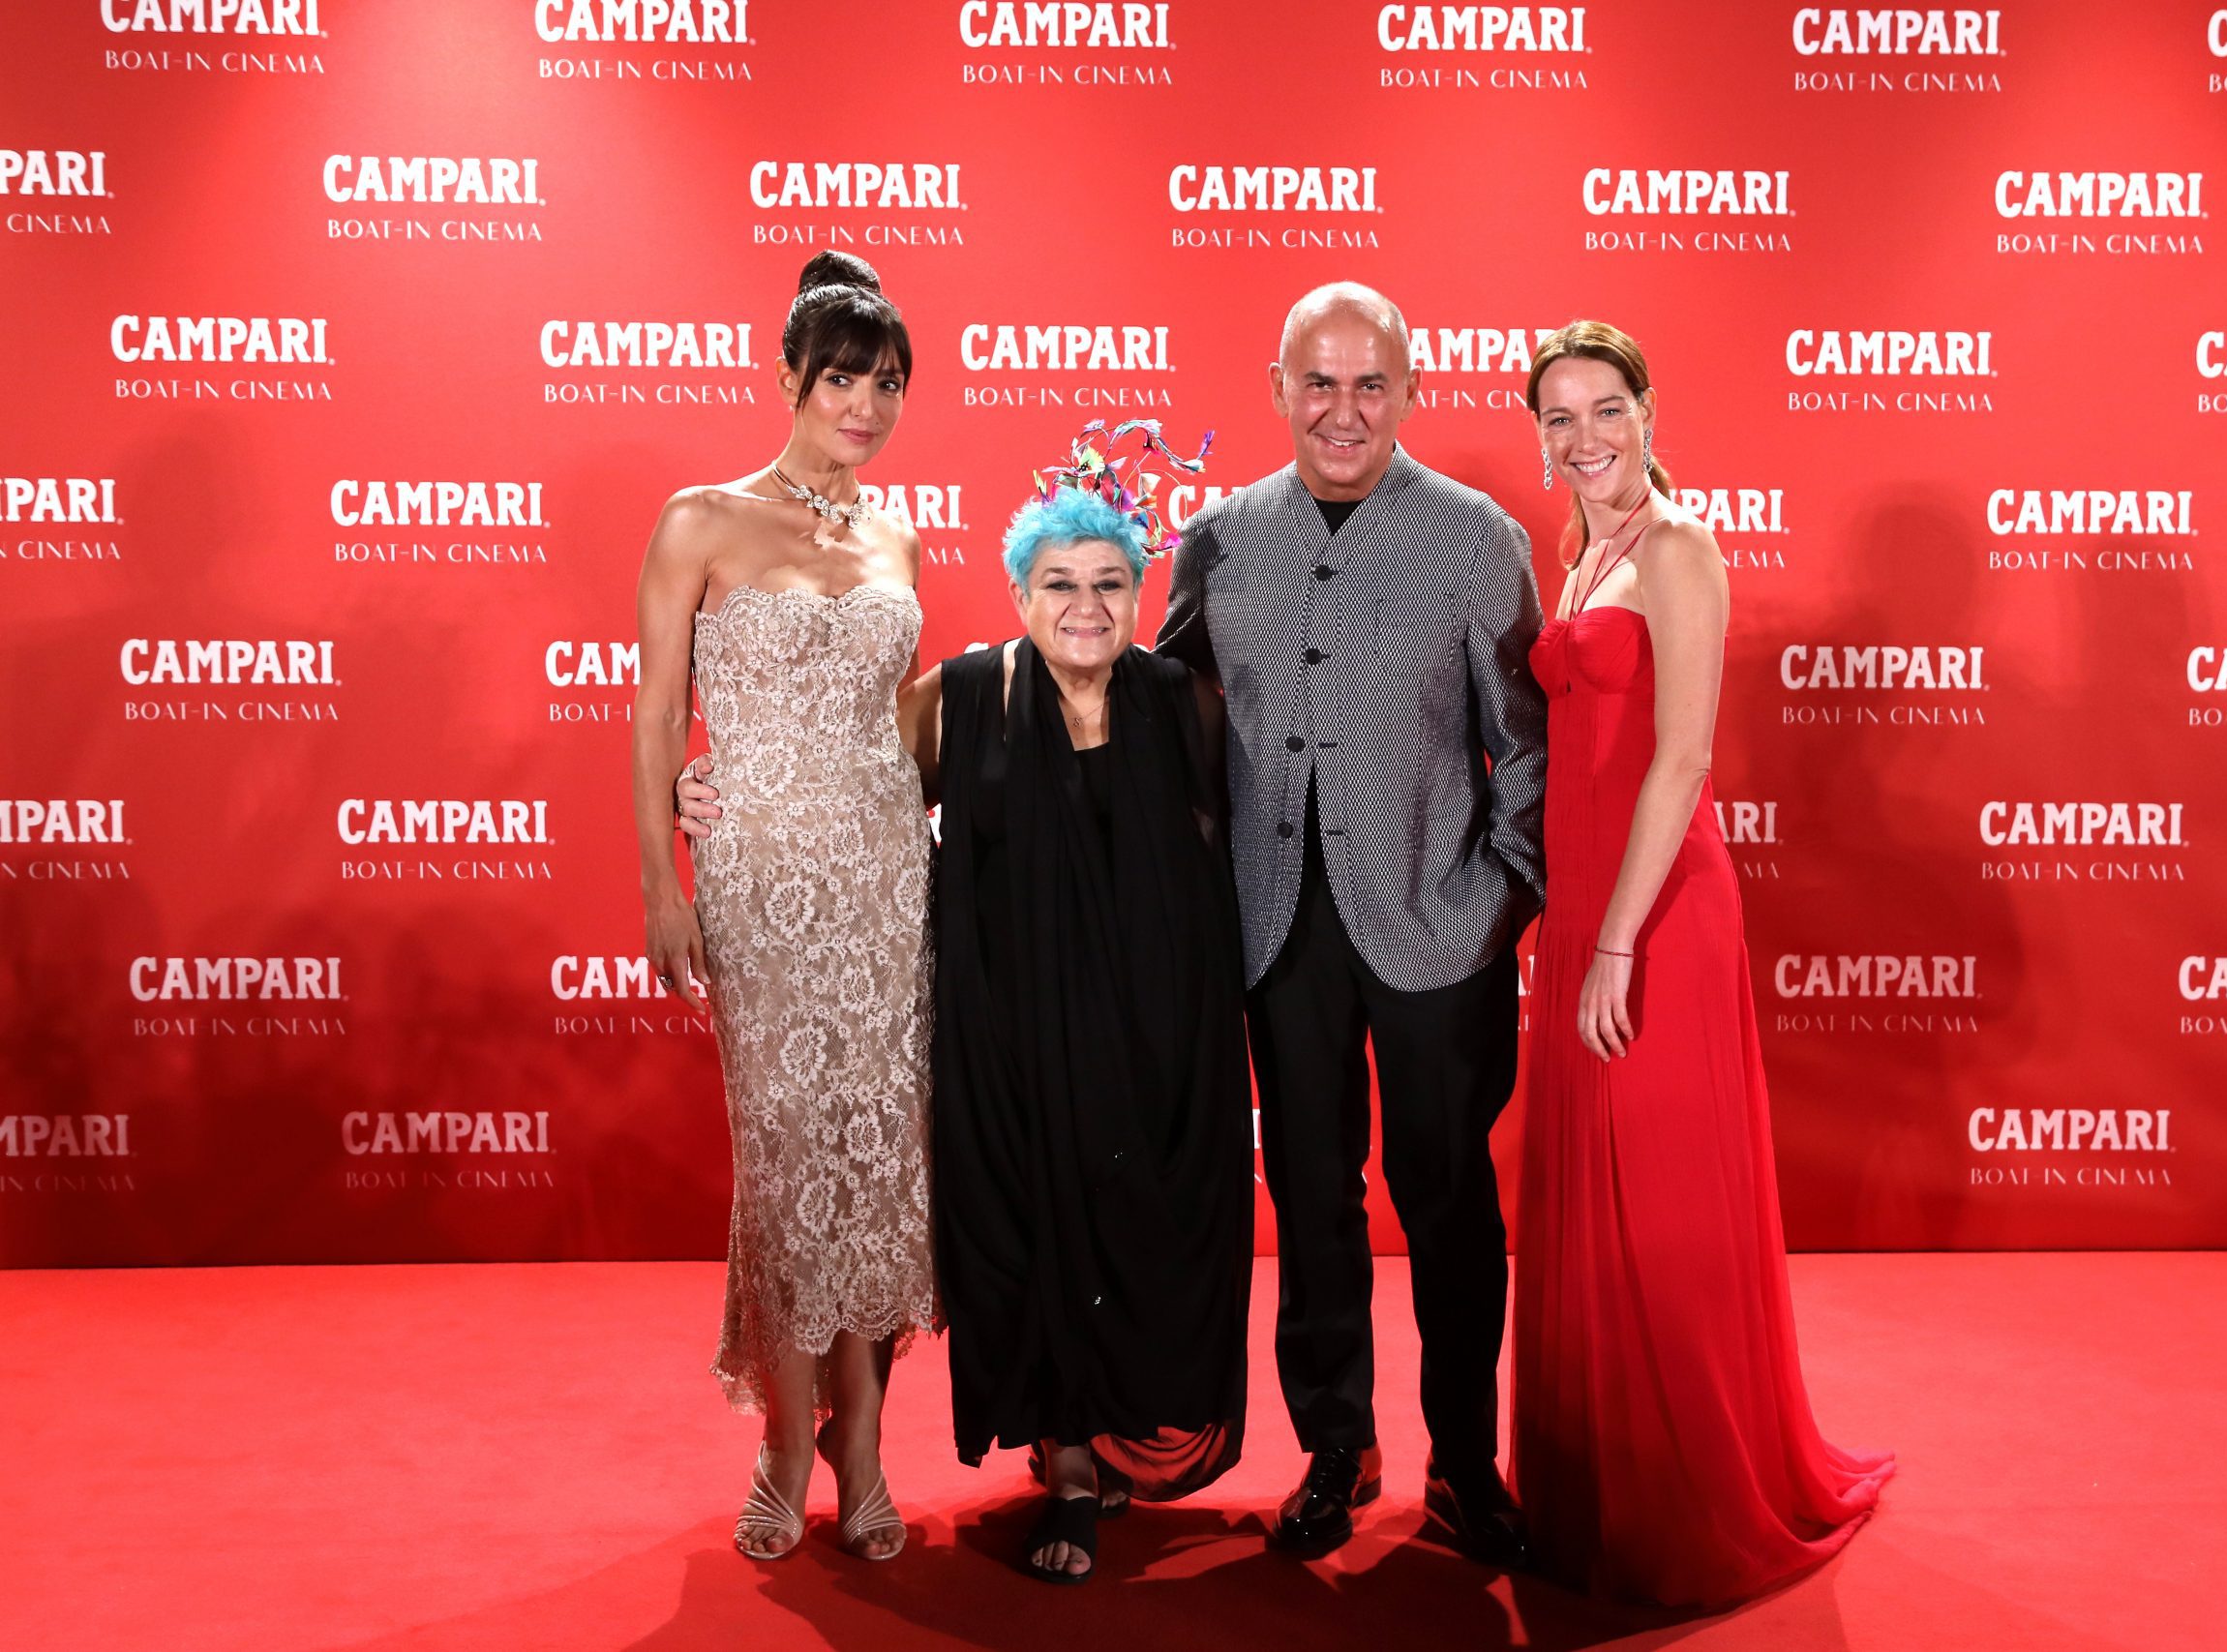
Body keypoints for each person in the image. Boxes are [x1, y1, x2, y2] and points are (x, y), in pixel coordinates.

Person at [682, 421, 1254, 1587]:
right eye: (1059, 583)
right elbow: (842, 773)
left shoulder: (1183, 706)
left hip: (1150, 1038)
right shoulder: (959, 699)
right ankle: (1062, 1463)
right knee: (1025, 1230)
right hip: (1006, 1037)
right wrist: (713, 782)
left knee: (1141, 1229)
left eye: (1109, 583)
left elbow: (1239, 846)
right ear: (1018, 593)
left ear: (1140, 593)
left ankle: (1101, 1441)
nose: (1084, 606)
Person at [1158, 284, 1546, 1566]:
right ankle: (1337, 1450)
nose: (1343, 409)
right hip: (1276, 932)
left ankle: (1464, 1460)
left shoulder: (1477, 538)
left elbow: (1525, 743)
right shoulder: (1216, 540)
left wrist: (1497, 898)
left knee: (1449, 1202)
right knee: (1310, 1199)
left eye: (1369, 383)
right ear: (1277, 389)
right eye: (1318, 382)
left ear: (1410, 391)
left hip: (1439, 925)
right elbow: (1170, 725)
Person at [1513, 319, 1894, 1607]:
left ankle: (1688, 1501)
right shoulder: (1575, 547)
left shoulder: (1678, 547)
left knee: (1661, 1199)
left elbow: (1680, 758)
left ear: (1647, 410)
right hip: (1584, 904)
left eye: (1605, 409)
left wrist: (1617, 938)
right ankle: (1594, 1486)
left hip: (1658, 912)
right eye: (1559, 417)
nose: (1585, 438)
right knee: (1592, 1200)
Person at [633, 250, 938, 1565]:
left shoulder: (897, 537)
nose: (864, 408)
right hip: (758, 887)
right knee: (787, 1158)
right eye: (841, 381)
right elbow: (655, 717)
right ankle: (783, 1439)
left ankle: (861, 1441)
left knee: (881, 1162)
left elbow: (899, 724)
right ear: (789, 378)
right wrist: (663, 879)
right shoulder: (699, 521)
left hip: (888, 880)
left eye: (887, 385)